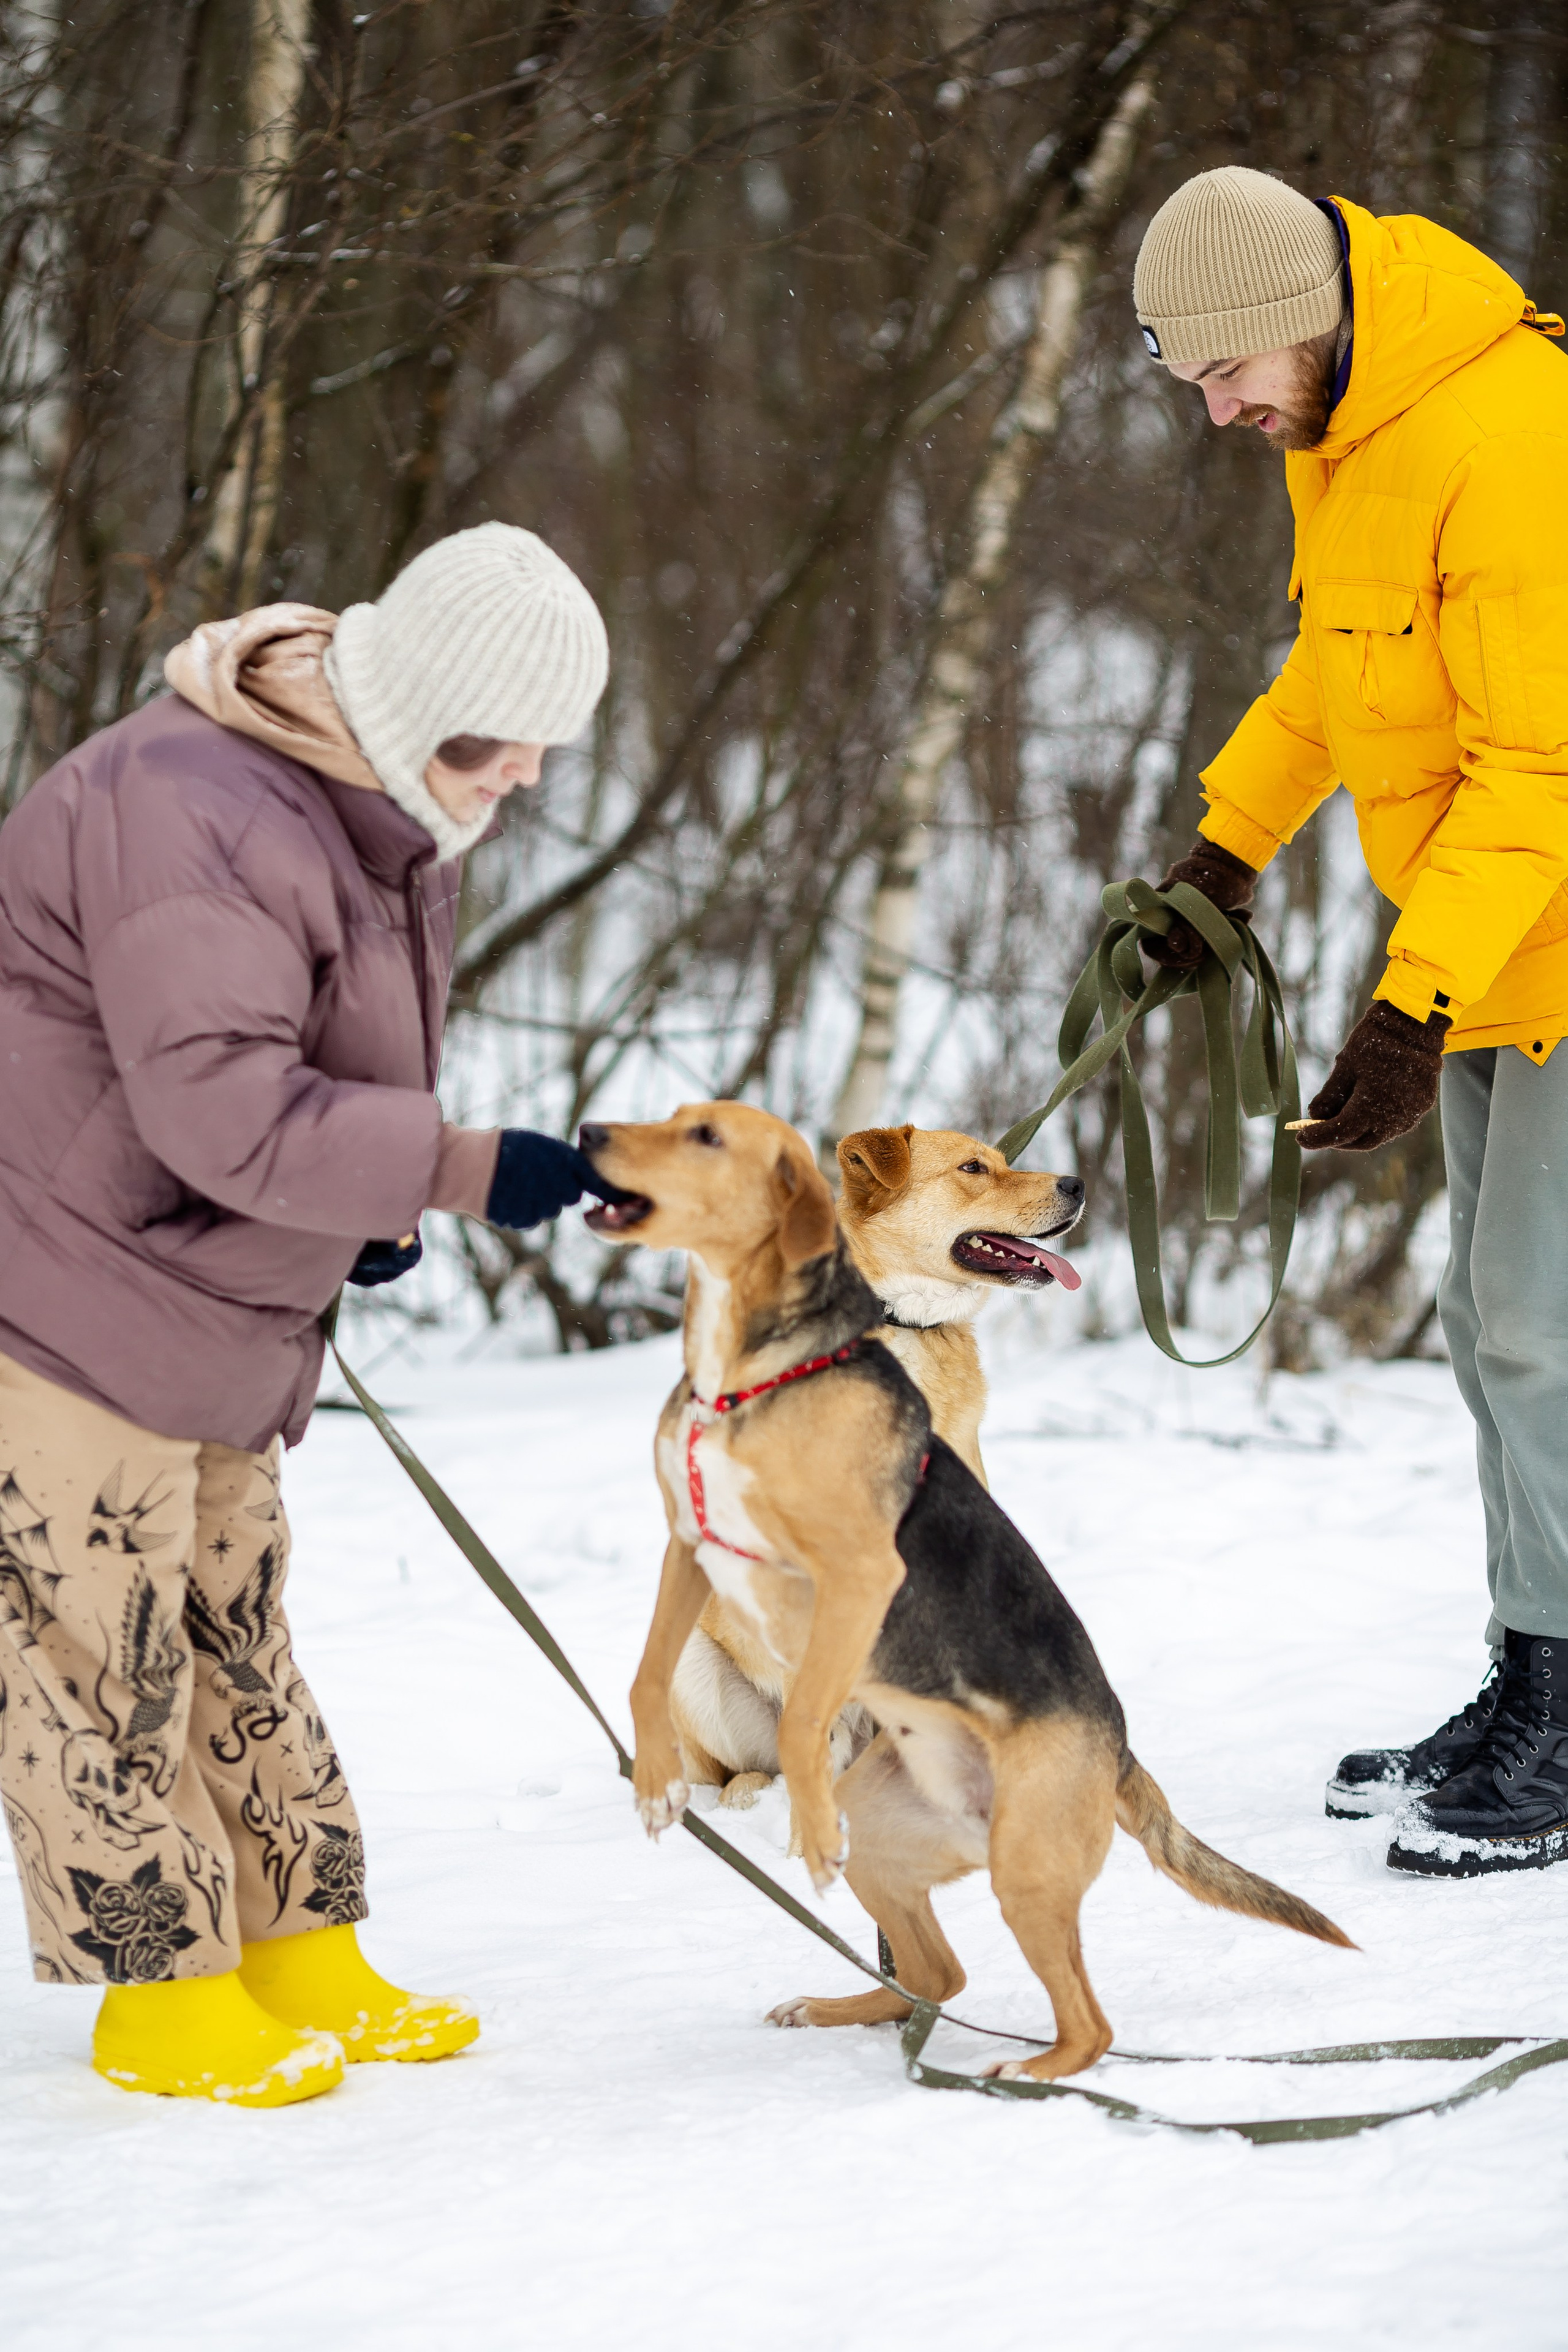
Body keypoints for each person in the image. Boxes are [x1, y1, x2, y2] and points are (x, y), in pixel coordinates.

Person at [0, 522, 619, 2101]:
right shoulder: (194, 813)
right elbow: (222, 1102)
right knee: (99, 1655)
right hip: (64, 1293)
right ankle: (161, 1991)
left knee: (236, 1629)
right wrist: (459, 1168)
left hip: (206, 1294)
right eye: (504, 748)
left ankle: (294, 1945)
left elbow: (305, 1074)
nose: (525, 781)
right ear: (417, 710)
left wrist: (353, 1217)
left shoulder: (375, 807)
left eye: (542, 750)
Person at [1131, 167, 1568, 1878]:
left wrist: (1410, 1007)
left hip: (1540, 942)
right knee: (1491, 1325)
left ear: (1302, 322)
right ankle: (1534, 1668)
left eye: (1229, 374)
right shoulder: (1354, 436)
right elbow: (1335, 674)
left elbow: (1545, 765)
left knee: (1538, 1328)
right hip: (1503, 955)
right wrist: (1221, 852)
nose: (1222, 409)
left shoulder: (1514, 433)